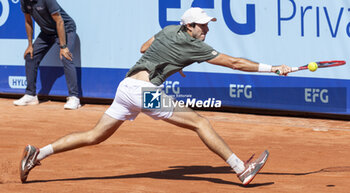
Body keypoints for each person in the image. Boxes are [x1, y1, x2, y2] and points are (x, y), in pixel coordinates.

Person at [19, 7, 292, 185]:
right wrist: (274, 68)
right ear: (189, 28)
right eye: (202, 26)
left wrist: (174, 63)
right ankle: (240, 169)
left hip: (126, 87)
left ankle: (37, 153)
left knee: (94, 136)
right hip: (143, 93)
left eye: (207, 25)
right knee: (201, 123)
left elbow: (144, 47)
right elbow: (234, 63)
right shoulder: (192, 44)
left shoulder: (168, 30)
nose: (206, 30)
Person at [14, 0, 81, 110]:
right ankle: (31, 95)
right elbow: (28, 21)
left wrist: (63, 47)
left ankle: (74, 98)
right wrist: (30, 45)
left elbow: (59, 21)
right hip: (47, 32)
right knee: (30, 55)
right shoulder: (24, 1)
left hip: (66, 28)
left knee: (66, 56)